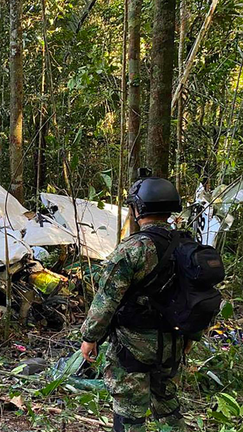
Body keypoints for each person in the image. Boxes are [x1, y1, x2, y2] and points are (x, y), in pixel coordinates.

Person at [79, 175, 199, 432]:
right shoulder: (188, 245)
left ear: (138, 209)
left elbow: (106, 299)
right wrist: (191, 335)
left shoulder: (134, 248)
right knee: (167, 403)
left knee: (129, 410)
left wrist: (90, 337)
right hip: (174, 342)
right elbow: (198, 295)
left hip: (132, 345)